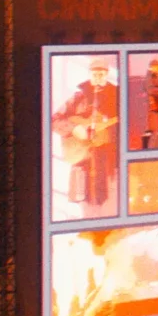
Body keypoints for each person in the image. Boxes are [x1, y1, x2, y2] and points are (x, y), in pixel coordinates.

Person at [54, 59, 121, 215]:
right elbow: (54, 119)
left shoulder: (117, 96)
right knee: (83, 200)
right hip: (81, 157)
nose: (98, 77)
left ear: (107, 74)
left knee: (109, 201)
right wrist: (74, 128)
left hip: (108, 157)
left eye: (101, 73)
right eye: (94, 73)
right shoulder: (78, 97)